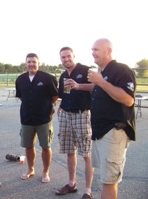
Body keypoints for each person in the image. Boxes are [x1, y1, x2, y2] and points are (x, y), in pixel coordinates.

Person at [88, 38, 136, 199]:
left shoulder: (122, 70)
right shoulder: (102, 73)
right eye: (92, 49)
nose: (92, 52)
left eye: (96, 49)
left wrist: (101, 82)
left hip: (113, 132)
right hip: (100, 133)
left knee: (109, 181)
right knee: (105, 179)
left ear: (108, 51)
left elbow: (128, 99)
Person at [55, 47, 94, 199]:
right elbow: (65, 94)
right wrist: (61, 106)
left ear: (74, 56)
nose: (66, 59)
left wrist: (79, 85)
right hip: (66, 114)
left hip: (82, 114)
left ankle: (88, 190)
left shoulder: (86, 70)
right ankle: (72, 184)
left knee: (86, 153)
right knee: (70, 151)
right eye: (63, 57)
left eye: (68, 56)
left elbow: (97, 86)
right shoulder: (63, 75)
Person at [15, 53, 58, 183]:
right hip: (27, 118)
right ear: (25, 63)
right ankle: (30, 169)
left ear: (38, 63)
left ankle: (45, 172)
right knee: (28, 146)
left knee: (46, 146)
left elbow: (55, 95)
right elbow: (21, 96)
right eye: (29, 62)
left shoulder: (47, 78)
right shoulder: (20, 79)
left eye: (34, 62)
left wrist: (45, 106)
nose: (31, 64)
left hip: (44, 119)